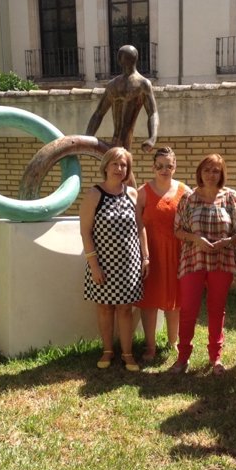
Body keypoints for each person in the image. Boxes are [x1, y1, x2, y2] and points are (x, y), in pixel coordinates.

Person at [168, 154, 236, 375]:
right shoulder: (189, 198)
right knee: (189, 309)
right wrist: (196, 239)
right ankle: (183, 357)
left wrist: (226, 242)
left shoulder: (231, 197)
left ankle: (216, 358)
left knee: (216, 309)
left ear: (222, 174)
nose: (211, 175)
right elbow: (177, 229)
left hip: (222, 260)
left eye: (216, 171)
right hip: (194, 259)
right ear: (199, 172)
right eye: (207, 170)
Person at [80, 147, 149, 372]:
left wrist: (145, 257)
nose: (119, 169)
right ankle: (108, 351)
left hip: (128, 264)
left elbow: (140, 227)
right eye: (115, 164)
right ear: (106, 166)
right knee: (105, 308)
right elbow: (86, 232)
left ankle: (128, 354)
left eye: (124, 165)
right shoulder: (94, 195)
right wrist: (94, 266)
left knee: (125, 309)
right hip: (103, 265)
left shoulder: (132, 194)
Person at [136, 147, 191, 361]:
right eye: (159, 166)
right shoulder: (143, 192)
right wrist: (144, 255)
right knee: (149, 301)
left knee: (176, 300)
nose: (164, 170)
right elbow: (138, 225)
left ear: (175, 166)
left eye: (169, 165)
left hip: (177, 253)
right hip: (152, 254)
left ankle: (172, 342)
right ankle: (150, 346)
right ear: (153, 167)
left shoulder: (185, 191)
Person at [86, 45, 159, 154]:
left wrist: (152, 138)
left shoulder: (142, 84)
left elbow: (153, 113)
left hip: (125, 145)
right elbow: (98, 114)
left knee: (123, 168)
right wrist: (88, 137)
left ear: (119, 60)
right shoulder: (113, 85)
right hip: (114, 144)